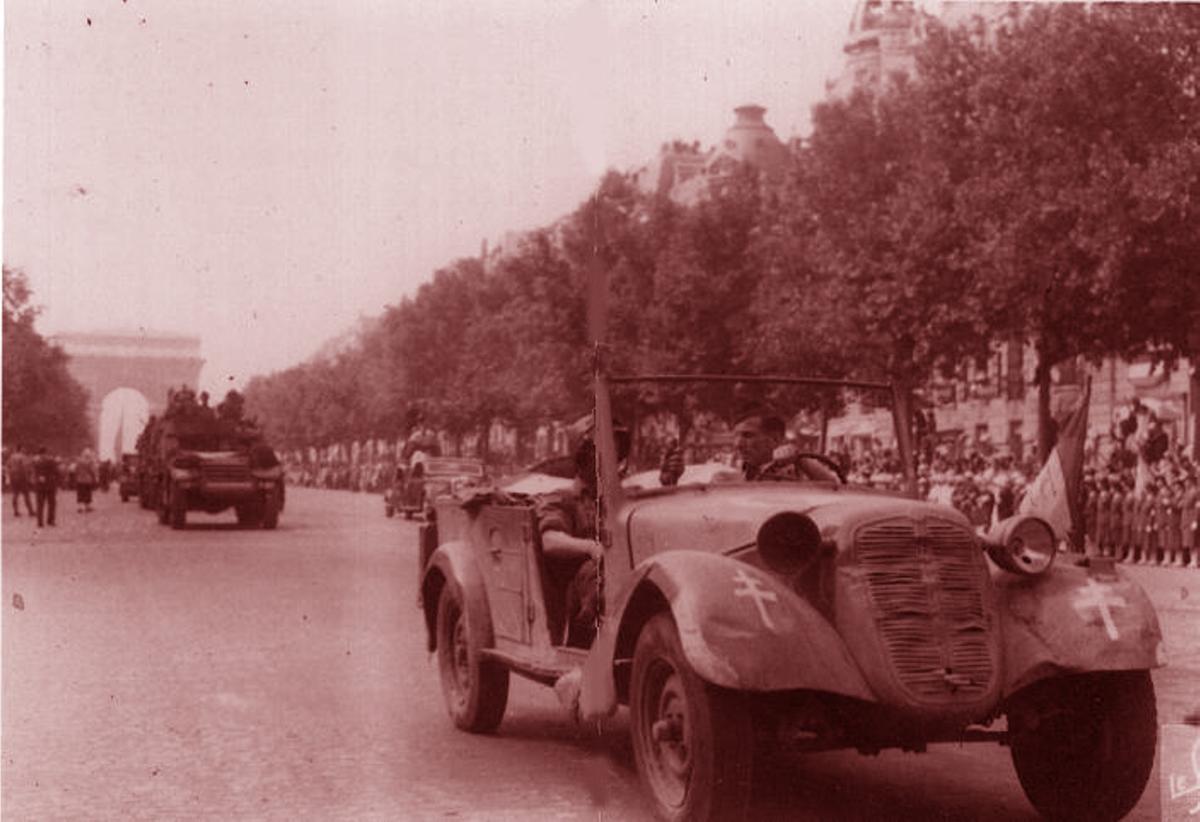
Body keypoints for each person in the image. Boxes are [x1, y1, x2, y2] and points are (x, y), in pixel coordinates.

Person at [535, 421, 631, 648]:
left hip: (619, 571)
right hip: (578, 586)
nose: (612, 458)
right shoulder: (563, 498)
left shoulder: (618, 497)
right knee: (598, 577)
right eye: (604, 450)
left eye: (615, 451)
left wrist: (669, 481)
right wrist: (590, 547)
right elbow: (549, 540)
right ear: (583, 456)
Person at [32, 447, 61, 528]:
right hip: (50, 485)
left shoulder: (35, 462)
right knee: (51, 504)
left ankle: (40, 522)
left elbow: (34, 473)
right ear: (46, 452)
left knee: (40, 504)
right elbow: (57, 472)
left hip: (39, 485)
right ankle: (50, 520)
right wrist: (57, 482)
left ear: (39, 453)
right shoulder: (51, 460)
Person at [7, 446, 35, 517]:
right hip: (22, 477)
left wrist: (10, 476)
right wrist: (28, 477)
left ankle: (15, 511)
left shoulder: (11, 457)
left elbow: (8, 466)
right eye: (23, 449)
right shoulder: (23, 457)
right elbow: (25, 467)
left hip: (13, 477)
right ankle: (30, 511)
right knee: (26, 494)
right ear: (20, 449)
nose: (24, 450)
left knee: (15, 494)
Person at [74, 448, 99, 512]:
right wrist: (95, 477)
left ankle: (80, 507)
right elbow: (92, 470)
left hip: (79, 480)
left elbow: (76, 470)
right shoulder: (90, 462)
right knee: (87, 493)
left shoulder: (78, 461)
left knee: (80, 493)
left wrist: (78, 476)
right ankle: (87, 507)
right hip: (87, 480)